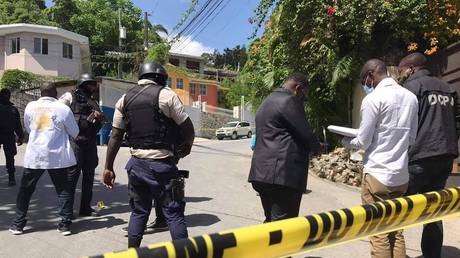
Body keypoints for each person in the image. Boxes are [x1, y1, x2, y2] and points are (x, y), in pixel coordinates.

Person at [102, 61, 195, 248]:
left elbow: (115, 135)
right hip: (162, 165)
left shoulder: (124, 100)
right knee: (174, 213)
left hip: (136, 165)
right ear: (160, 77)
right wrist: (187, 147)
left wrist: (108, 167)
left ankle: (132, 253)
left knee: (139, 212)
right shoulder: (167, 95)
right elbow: (188, 129)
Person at [342, 59, 418, 258]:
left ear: (371, 74)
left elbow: (363, 141)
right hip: (401, 176)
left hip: (377, 175)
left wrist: (345, 142)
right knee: (396, 229)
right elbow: (412, 138)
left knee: (378, 232)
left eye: (365, 81)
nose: (367, 85)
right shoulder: (411, 98)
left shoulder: (373, 100)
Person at [398, 52, 460, 258]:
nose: (401, 75)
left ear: (411, 68)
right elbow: (457, 121)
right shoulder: (448, 88)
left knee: (398, 211)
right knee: (434, 211)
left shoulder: (411, 88)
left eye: (402, 71)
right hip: (444, 157)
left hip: (418, 157)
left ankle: (392, 252)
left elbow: (403, 125)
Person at [9, 83, 79, 236]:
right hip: (57, 157)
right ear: (54, 92)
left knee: (25, 190)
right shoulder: (63, 109)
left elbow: (28, 127)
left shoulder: (30, 106)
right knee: (63, 190)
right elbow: (75, 132)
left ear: (41, 92)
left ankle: (18, 224)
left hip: (36, 156)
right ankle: (64, 225)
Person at [248, 72, 320, 223]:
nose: (303, 100)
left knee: (271, 222)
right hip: (281, 176)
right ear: (298, 89)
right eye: (304, 96)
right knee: (284, 228)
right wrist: (318, 147)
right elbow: (306, 134)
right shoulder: (289, 101)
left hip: (262, 174)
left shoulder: (268, 100)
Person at [60, 74, 104, 217]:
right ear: (83, 84)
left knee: (89, 177)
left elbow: (99, 120)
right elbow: (59, 113)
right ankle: (67, 210)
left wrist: (99, 117)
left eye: (94, 84)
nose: (93, 87)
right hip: (76, 143)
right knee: (71, 177)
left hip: (90, 143)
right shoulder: (70, 97)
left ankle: (85, 208)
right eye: (91, 84)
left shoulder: (93, 101)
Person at [0, 88, 24, 186]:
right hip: (8, 135)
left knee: (10, 157)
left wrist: (20, 136)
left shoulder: (13, 109)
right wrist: (20, 136)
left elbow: (17, 124)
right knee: (10, 157)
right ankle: (11, 178)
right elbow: (18, 124)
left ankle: (11, 177)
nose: (7, 97)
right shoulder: (13, 109)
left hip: (9, 135)